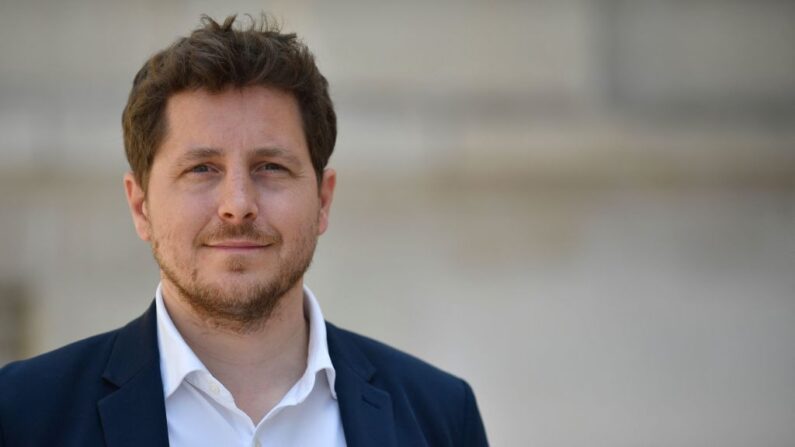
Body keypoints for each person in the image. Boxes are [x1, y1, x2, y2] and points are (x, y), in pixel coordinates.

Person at [0, 14, 488, 447]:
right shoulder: (21, 415)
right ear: (140, 205)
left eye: (271, 167)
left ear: (322, 199)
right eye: (202, 169)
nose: (238, 205)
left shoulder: (441, 416)